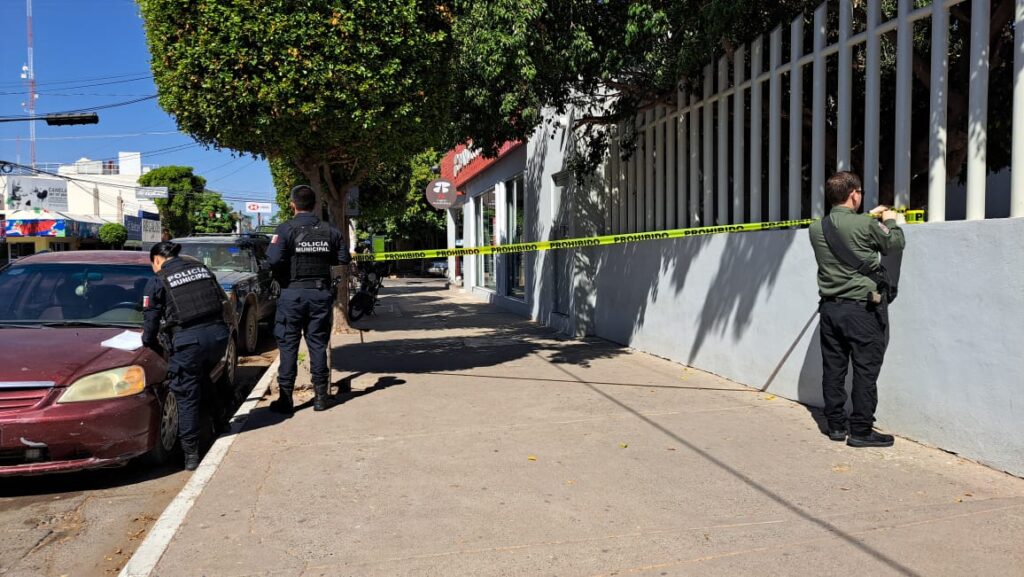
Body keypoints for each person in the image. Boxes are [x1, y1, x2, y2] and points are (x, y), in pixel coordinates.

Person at [808, 171, 906, 448]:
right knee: (865, 368)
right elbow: (894, 244)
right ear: (853, 194)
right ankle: (862, 430)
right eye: (859, 192)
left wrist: (868, 217)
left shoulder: (817, 228)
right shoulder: (866, 225)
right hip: (862, 310)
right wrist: (889, 221)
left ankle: (836, 426)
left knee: (834, 368)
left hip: (829, 309)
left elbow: (848, 228)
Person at [142, 242, 231, 470]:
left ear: (157, 260)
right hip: (219, 337)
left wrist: (149, 343)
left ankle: (190, 454)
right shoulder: (201, 270)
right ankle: (221, 421)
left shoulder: (158, 280)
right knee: (201, 376)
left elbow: (150, 323)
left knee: (186, 394)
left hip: (190, 342)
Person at [266, 185, 350, 414]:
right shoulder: (330, 230)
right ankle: (321, 398)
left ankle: (286, 400)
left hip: (291, 295)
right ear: (315, 205)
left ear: (293, 204)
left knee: (288, 347)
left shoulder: (284, 230)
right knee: (317, 345)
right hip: (319, 294)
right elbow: (343, 258)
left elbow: (272, 260)